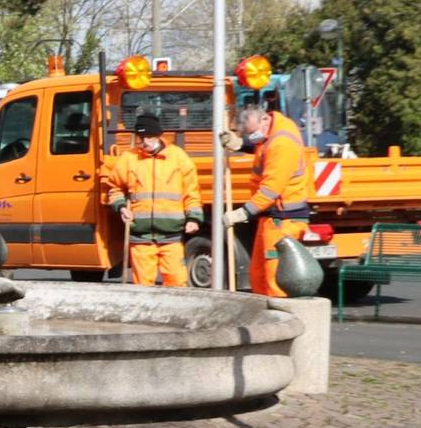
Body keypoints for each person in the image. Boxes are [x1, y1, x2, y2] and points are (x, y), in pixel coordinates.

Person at [225, 97, 313, 296]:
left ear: (264, 119)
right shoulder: (272, 130)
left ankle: (279, 320)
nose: (252, 137)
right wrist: (240, 144)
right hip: (273, 218)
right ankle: (264, 319)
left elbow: (270, 190)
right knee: (259, 274)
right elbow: (261, 146)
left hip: (283, 219)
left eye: (251, 132)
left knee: (275, 277)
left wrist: (243, 213)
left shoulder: (281, 143)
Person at [102, 113, 202, 286]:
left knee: (177, 282)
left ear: (158, 135)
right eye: (140, 138)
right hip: (140, 235)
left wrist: (193, 218)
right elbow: (114, 188)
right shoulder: (128, 159)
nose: (144, 142)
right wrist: (121, 207)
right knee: (143, 286)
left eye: (148, 137)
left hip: (172, 234)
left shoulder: (178, 158)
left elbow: (192, 192)